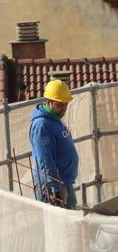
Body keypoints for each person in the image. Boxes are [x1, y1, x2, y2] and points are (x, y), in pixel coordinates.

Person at [29, 79, 78, 208]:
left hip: (64, 182)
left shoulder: (54, 119)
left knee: (71, 221)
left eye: (66, 104)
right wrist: (54, 190)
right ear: (48, 102)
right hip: (53, 186)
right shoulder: (42, 126)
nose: (64, 109)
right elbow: (45, 161)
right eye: (60, 105)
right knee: (58, 225)